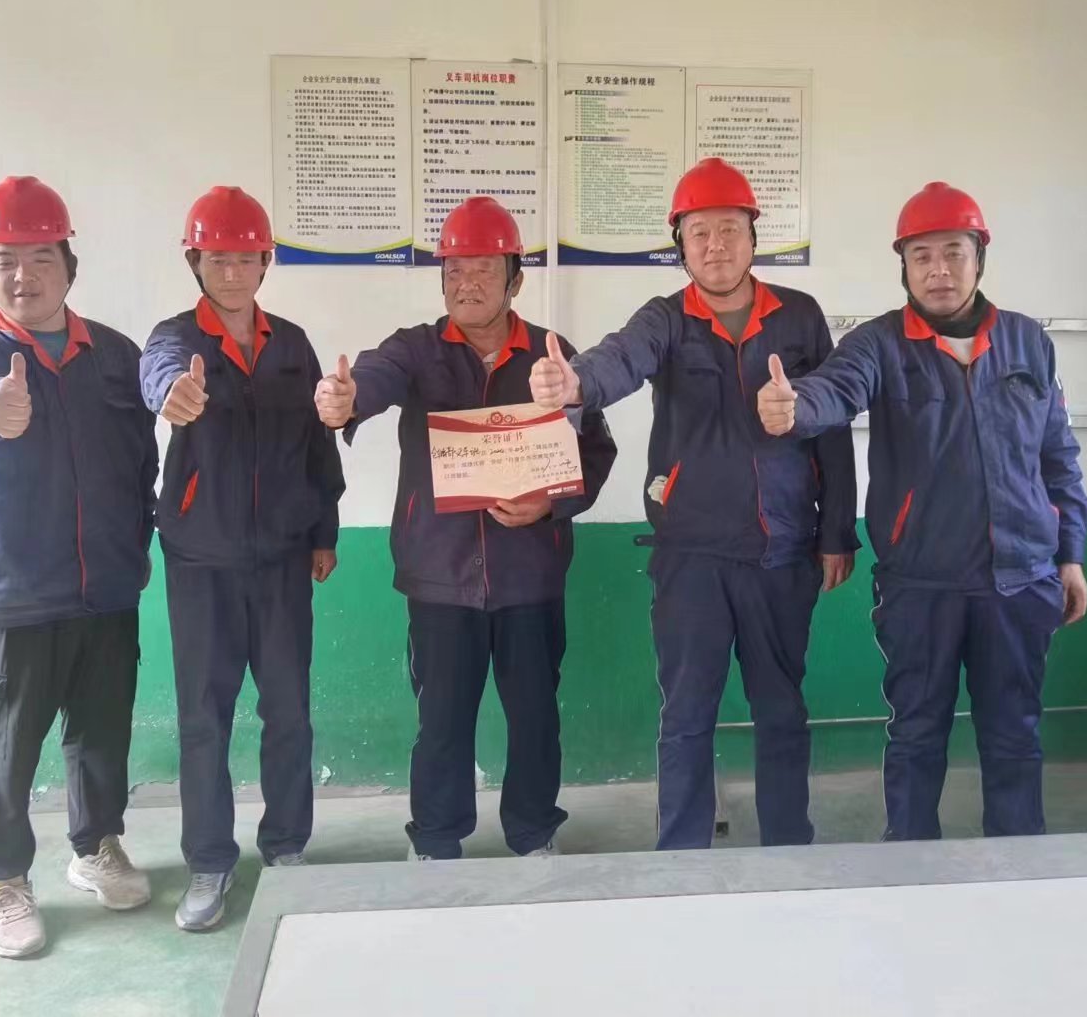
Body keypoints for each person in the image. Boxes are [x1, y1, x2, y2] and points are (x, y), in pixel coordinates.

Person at [528, 157, 858, 851]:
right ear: (680, 243)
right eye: (699, 232)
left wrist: (837, 532)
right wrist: (574, 382)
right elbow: (621, 358)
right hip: (690, 558)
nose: (715, 245)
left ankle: (788, 848)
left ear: (753, 237)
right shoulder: (666, 319)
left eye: (729, 229)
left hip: (780, 553)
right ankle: (679, 858)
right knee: (685, 717)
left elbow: (829, 428)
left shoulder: (798, 317)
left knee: (782, 711)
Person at [755, 181, 1087, 840]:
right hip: (921, 585)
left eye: (953, 253)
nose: (939, 270)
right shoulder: (879, 344)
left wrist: (1070, 555)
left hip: (1020, 581)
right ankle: (908, 870)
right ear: (904, 266)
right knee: (916, 736)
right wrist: (794, 406)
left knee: (1015, 734)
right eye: (922, 256)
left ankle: (1020, 870)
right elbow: (835, 390)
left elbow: (1059, 458)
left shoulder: (1028, 343)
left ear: (979, 258)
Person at [313, 196, 616, 861]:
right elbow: (373, 378)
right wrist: (345, 400)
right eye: (454, 270)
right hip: (440, 576)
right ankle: (435, 839)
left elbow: (595, 451)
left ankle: (533, 832)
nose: (466, 283)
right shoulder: (416, 350)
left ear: (515, 280)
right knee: (442, 720)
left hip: (530, 576)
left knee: (534, 716)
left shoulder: (551, 357)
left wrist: (550, 504)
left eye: (483, 270)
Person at [0, 175, 157, 959]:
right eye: (5, 262)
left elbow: (142, 460)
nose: (22, 276)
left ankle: (97, 846)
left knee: (101, 730)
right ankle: (4, 881)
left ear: (69, 265)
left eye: (39, 258)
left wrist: (136, 540)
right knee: (3, 745)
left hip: (107, 586)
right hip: (12, 587)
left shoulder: (116, 356)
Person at [139, 185, 345, 931]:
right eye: (216, 258)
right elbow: (157, 374)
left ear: (265, 261)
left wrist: (323, 530)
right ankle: (209, 861)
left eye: (245, 258)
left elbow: (318, 443)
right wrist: (172, 394)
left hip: (284, 559)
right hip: (202, 561)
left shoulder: (291, 344)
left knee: (289, 710)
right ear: (195, 261)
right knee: (205, 717)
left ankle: (286, 847)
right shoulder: (174, 339)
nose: (231, 271)